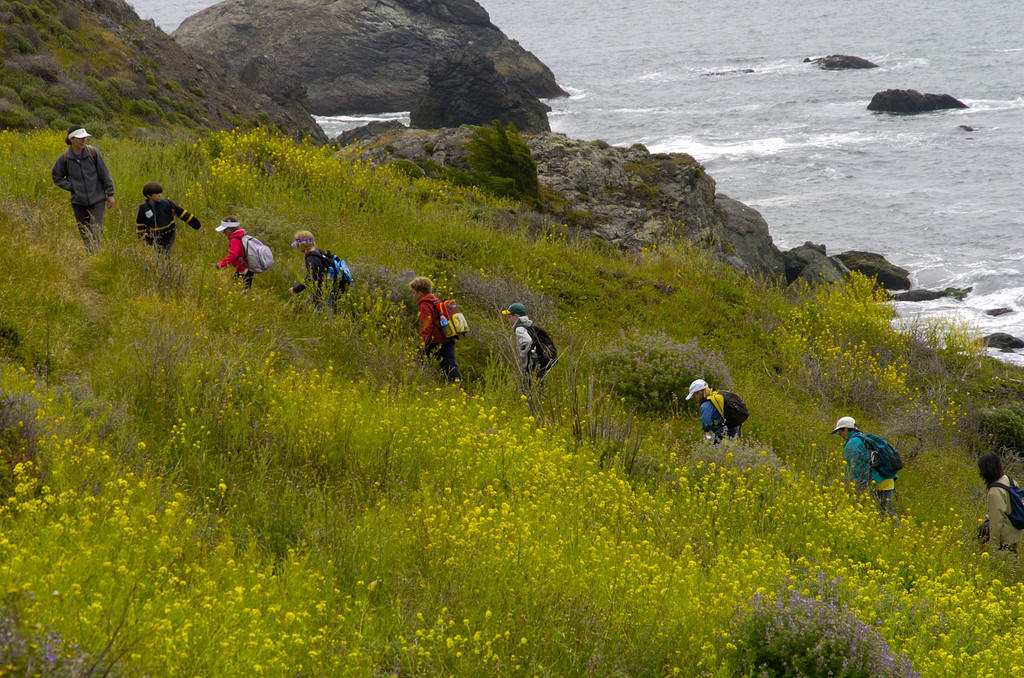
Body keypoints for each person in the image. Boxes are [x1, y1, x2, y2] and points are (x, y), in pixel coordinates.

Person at [51, 126, 115, 252]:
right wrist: (72, 187)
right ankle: (90, 256)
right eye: (80, 138)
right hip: (78, 202)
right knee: (85, 231)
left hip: (98, 199)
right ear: (72, 139)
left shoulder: (93, 153)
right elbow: (56, 177)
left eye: (85, 138)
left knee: (96, 228)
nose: (83, 140)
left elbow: (105, 174)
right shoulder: (65, 158)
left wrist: (110, 194)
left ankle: (97, 255)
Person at [830, 416, 898, 517]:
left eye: (840, 430)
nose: (839, 434)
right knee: (883, 512)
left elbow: (856, 468)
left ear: (846, 429)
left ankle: (895, 531)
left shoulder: (852, 443)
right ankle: (891, 531)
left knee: (886, 512)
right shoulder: (864, 438)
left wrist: (857, 488)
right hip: (887, 479)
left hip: (878, 481)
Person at [410, 276, 462, 384]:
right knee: (450, 365)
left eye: (414, 292)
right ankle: (458, 387)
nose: (413, 295)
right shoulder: (435, 300)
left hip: (435, 341)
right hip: (448, 338)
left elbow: (426, 326)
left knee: (418, 362)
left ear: (420, 293)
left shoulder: (425, 304)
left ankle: (419, 383)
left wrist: (423, 342)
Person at [135, 182, 201, 254]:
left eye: (160, 193)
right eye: (157, 194)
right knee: (156, 252)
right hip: (153, 234)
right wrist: (142, 237)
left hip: (168, 233)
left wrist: (195, 223)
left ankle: (165, 263)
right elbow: (140, 223)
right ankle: (160, 263)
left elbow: (181, 213)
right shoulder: (143, 208)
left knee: (164, 251)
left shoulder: (167, 204)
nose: (160, 195)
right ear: (149, 196)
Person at [977, 452, 1022, 557]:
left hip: (1005, 537)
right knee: (1013, 558)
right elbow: (1010, 505)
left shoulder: (994, 491)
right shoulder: (1009, 480)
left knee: (1008, 565)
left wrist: (994, 548)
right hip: (1015, 532)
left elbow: (996, 522)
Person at [501, 302, 555, 384]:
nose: (508, 319)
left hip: (530, 365)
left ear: (516, 316)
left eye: (509, 316)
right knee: (539, 386)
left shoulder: (519, 328)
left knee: (527, 388)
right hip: (538, 363)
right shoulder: (528, 326)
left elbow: (527, 341)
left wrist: (522, 358)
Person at [288, 230, 340, 311]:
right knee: (306, 309)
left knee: (323, 317)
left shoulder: (312, 258)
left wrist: (295, 289)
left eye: (298, 245)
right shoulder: (318, 252)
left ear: (303, 245)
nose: (297, 247)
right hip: (324, 289)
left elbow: (311, 278)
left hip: (323, 292)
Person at [213, 217, 254, 288]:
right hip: (247, 267)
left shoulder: (235, 239)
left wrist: (220, 264)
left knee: (239, 287)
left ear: (231, 229)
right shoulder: (242, 236)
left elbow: (234, 255)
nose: (224, 232)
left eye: (225, 229)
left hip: (244, 268)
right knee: (242, 286)